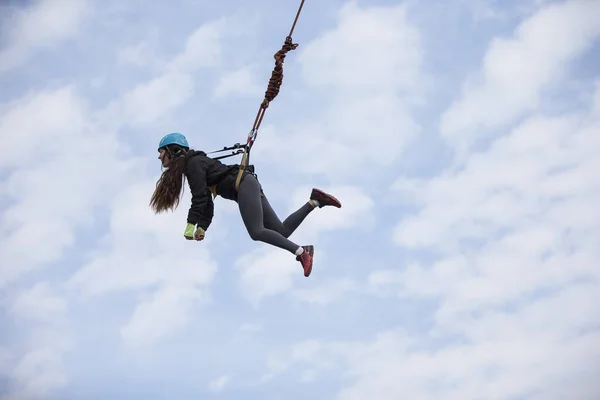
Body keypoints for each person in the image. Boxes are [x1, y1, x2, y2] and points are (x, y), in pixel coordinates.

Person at [149, 132, 342, 277]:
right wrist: (202, 227)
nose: (159, 157)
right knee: (281, 231)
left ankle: (302, 252)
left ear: (173, 150)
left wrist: (191, 224)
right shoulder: (194, 165)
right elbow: (206, 200)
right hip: (247, 184)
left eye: (161, 152)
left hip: (243, 185)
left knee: (256, 232)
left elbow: (199, 196)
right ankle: (315, 200)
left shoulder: (193, 165)